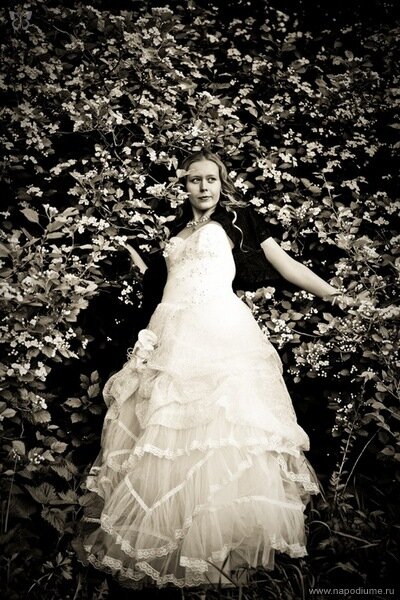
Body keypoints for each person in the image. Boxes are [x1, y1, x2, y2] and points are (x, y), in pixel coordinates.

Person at [79, 149, 351, 589]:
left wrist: (334, 295)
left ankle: (220, 551)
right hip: (169, 332)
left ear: (222, 183)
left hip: (217, 330)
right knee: (165, 436)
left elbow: (285, 265)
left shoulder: (239, 222)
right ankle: (173, 543)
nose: (204, 187)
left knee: (220, 433)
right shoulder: (175, 230)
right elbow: (162, 285)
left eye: (211, 179)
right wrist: (142, 270)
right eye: (195, 179)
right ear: (183, 185)